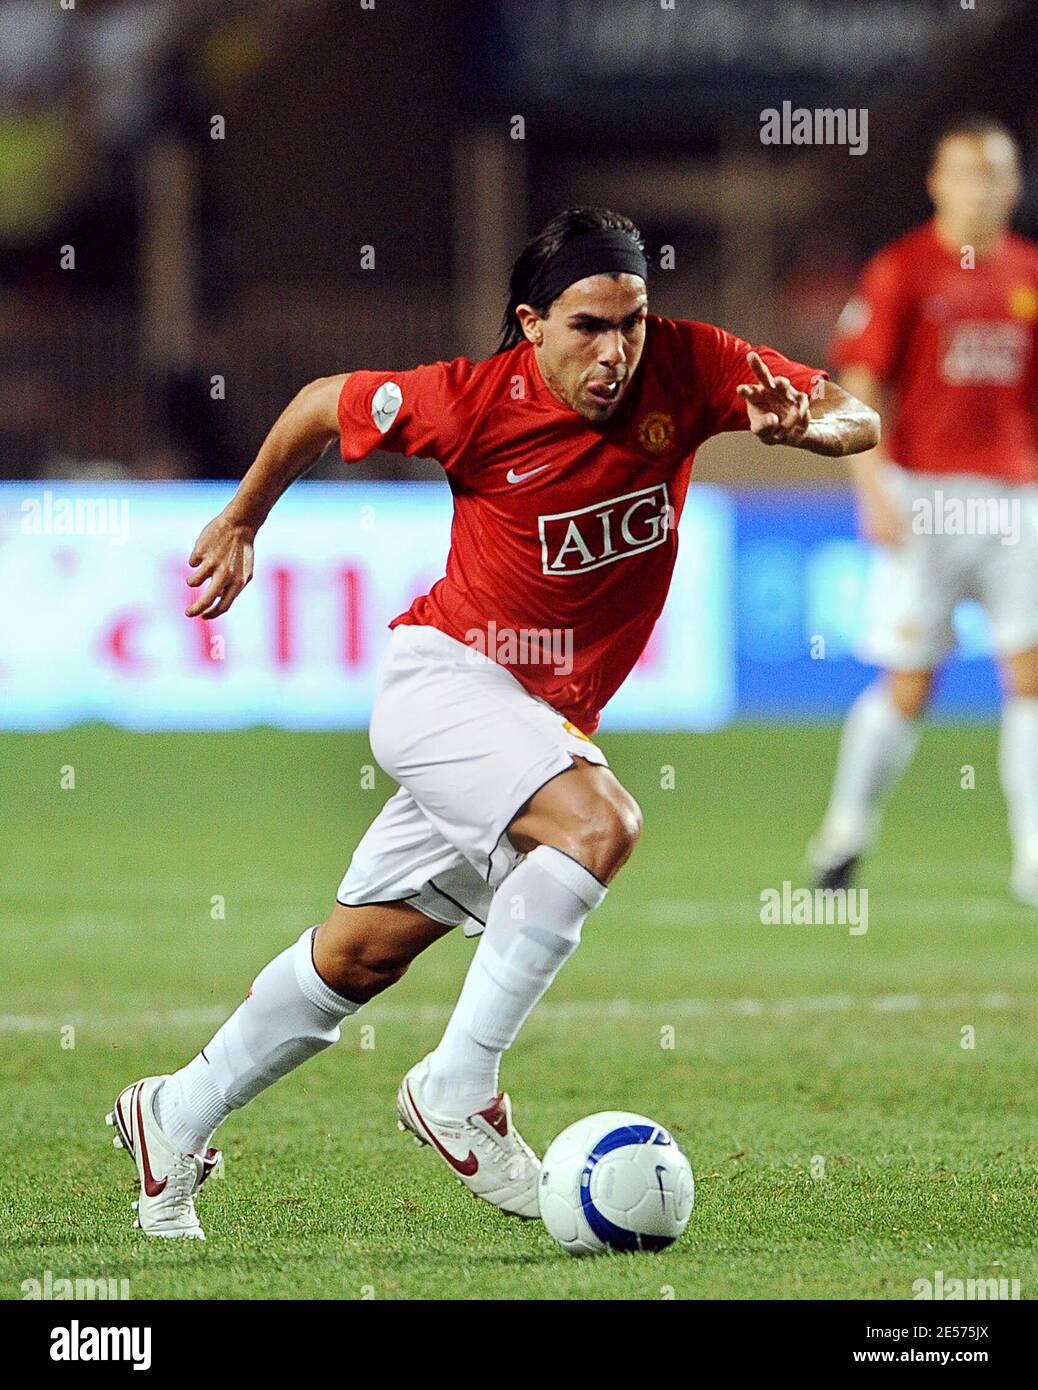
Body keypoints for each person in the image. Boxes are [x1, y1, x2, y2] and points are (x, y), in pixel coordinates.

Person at [107, 206, 878, 1239]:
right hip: (449, 684)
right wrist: (242, 517)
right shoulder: (470, 401)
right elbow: (315, 405)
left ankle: (173, 1112)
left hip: (535, 720)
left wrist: (816, 429)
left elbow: (849, 413)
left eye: (632, 323)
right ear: (530, 324)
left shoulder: (693, 367)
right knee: (599, 824)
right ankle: (458, 1087)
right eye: (588, 327)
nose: (616, 351)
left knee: (361, 956)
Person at [808, 118, 1038, 906]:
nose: (985, 186)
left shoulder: (1029, 272)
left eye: (998, 172)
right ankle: (845, 832)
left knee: (1031, 676)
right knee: (911, 682)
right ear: (938, 182)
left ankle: (1034, 858)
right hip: (925, 497)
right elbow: (860, 387)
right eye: (969, 171)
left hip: (1016, 499)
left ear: (1014, 184)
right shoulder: (903, 269)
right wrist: (870, 486)